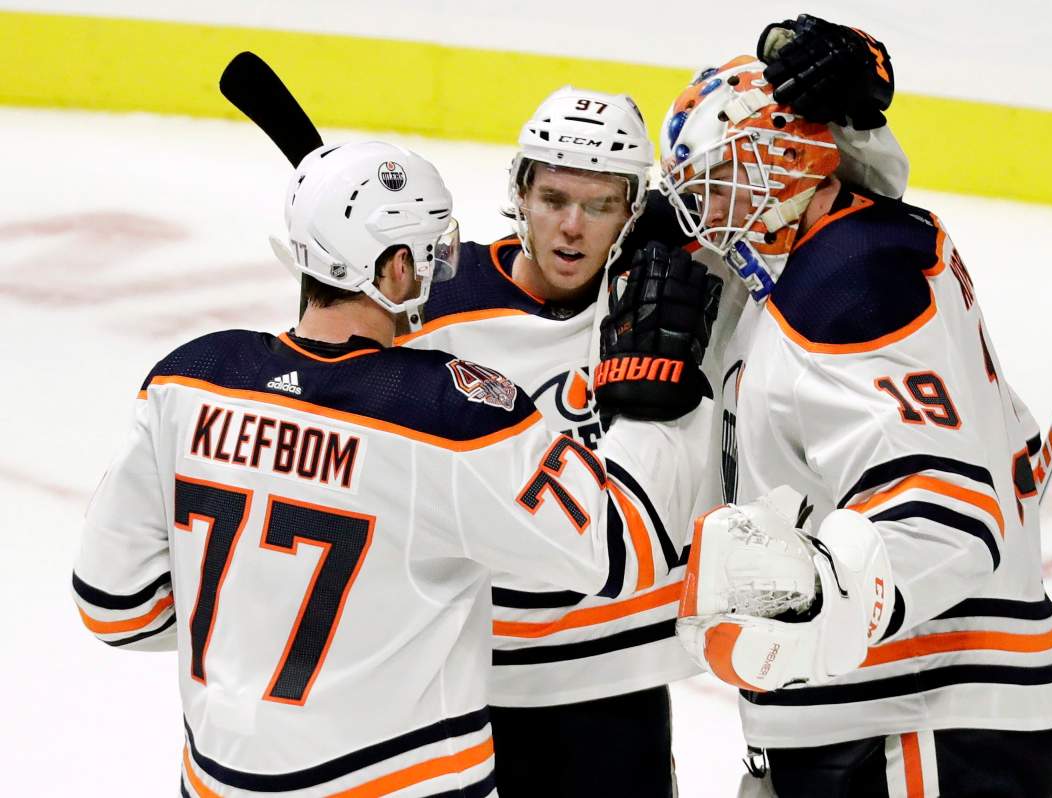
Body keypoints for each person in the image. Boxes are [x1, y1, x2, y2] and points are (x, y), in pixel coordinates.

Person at [71, 139, 722, 797]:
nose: (447, 266)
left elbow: (114, 606)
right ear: (395, 269)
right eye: (433, 250)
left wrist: (260, 619)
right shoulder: (446, 414)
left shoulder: (191, 379)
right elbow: (622, 544)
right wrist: (652, 387)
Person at [395, 16, 913, 795]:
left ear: (636, 208)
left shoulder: (691, 280)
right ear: (519, 193)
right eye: (554, 198)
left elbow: (856, 199)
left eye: (600, 205)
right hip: (474, 678)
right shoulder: (438, 302)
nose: (571, 227)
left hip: (620, 677)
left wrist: (854, 112)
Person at [663, 50, 1052, 797]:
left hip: (923, 717)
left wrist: (818, 601)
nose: (709, 212)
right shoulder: (793, 282)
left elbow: (948, 507)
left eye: (728, 178)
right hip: (862, 718)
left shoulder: (851, 270)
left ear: (792, 162)